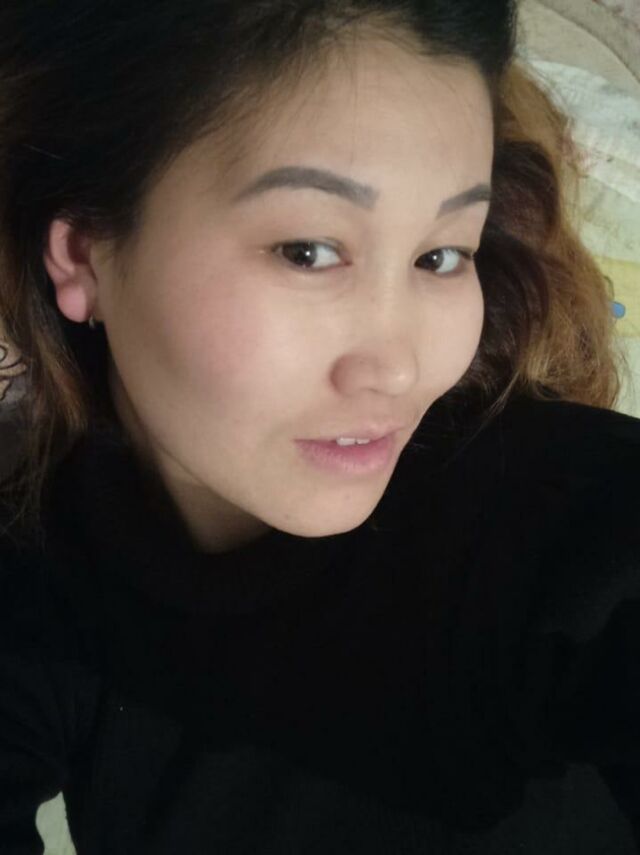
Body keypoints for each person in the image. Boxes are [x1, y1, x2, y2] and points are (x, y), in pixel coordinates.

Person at [0, 0, 638, 852]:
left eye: (441, 255)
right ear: (85, 254)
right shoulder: (36, 572)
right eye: (308, 250)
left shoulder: (562, 525)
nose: (400, 368)